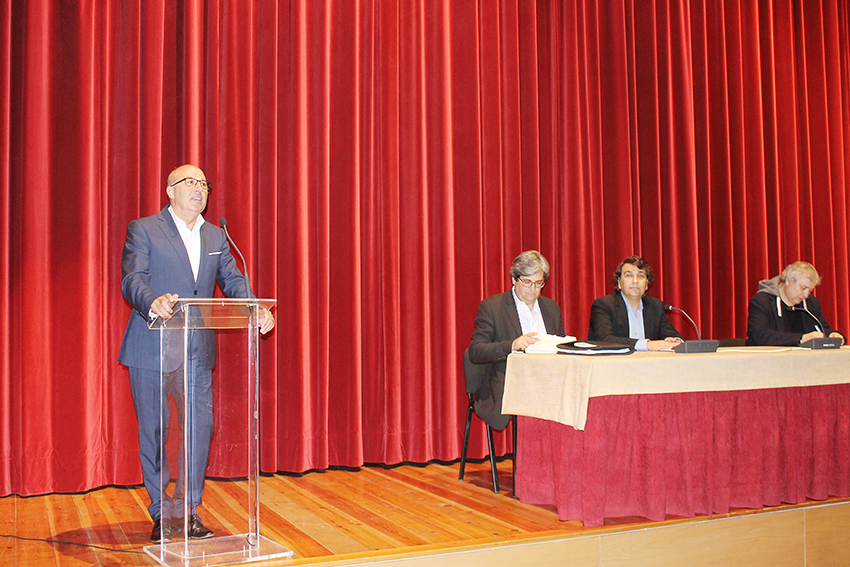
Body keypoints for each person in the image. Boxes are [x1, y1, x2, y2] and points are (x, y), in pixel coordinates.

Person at [118, 164, 274, 543]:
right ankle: (161, 513)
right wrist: (152, 300)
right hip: (152, 346)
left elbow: (233, 280)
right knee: (156, 431)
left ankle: (186, 510)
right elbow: (132, 278)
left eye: (203, 183)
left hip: (196, 351)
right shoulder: (145, 229)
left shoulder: (216, 235)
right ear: (170, 191)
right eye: (190, 182)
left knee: (198, 430)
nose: (198, 189)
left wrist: (255, 308)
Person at [468, 250, 565, 430]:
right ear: (514, 279)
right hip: (511, 382)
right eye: (527, 282)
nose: (533, 289)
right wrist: (512, 345)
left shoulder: (551, 308)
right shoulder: (492, 307)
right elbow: (476, 351)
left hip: (549, 380)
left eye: (538, 283)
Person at [588, 255, 682, 350]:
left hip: (650, 360)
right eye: (629, 275)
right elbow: (604, 339)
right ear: (619, 283)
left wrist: (674, 341)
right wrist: (646, 345)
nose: (635, 281)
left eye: (641, 276)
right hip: (616, 359)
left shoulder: (655, 306)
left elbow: (676, 336)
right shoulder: (604, 305)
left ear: (646, 285)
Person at [746, 261, 845, 346]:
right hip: (767, 359)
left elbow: (821, 329)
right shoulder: (762, 302)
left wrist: (833, 335)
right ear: (788, 280)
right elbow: (760, 335)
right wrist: (801, 338)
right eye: (803, 288)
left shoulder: (811, 303)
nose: (806, 295)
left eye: (810, 290)